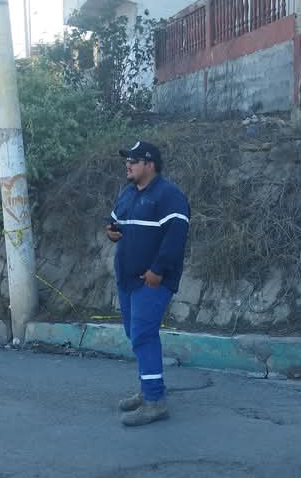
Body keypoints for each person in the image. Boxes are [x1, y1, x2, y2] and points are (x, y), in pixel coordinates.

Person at [105, 140, 190, 427]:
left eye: (134, 161)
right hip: (127, 280)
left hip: (152, 281)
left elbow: (176, 237)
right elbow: (114, 223)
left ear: (149, 164)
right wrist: (111, 232)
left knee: (143, 335)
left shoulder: (169, 195)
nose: (127, 165)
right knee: (136, 334)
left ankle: (155, 402)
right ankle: (148, 389)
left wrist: (158, 270)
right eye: (127, 161)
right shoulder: (128, 193)